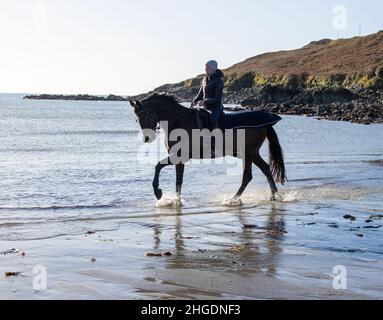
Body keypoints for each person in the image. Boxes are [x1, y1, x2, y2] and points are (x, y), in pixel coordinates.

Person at [191, 60, 224, 130]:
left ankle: (214, 139)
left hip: (215, 109)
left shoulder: (219, 80)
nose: (205, 69)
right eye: (205, 67)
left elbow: (217, 98)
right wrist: (194, 101)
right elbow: (200, 94)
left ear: (214, 68)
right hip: (205, 108)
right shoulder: (204, 80)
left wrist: (204, 102)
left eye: (207, 67)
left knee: (212, 122)